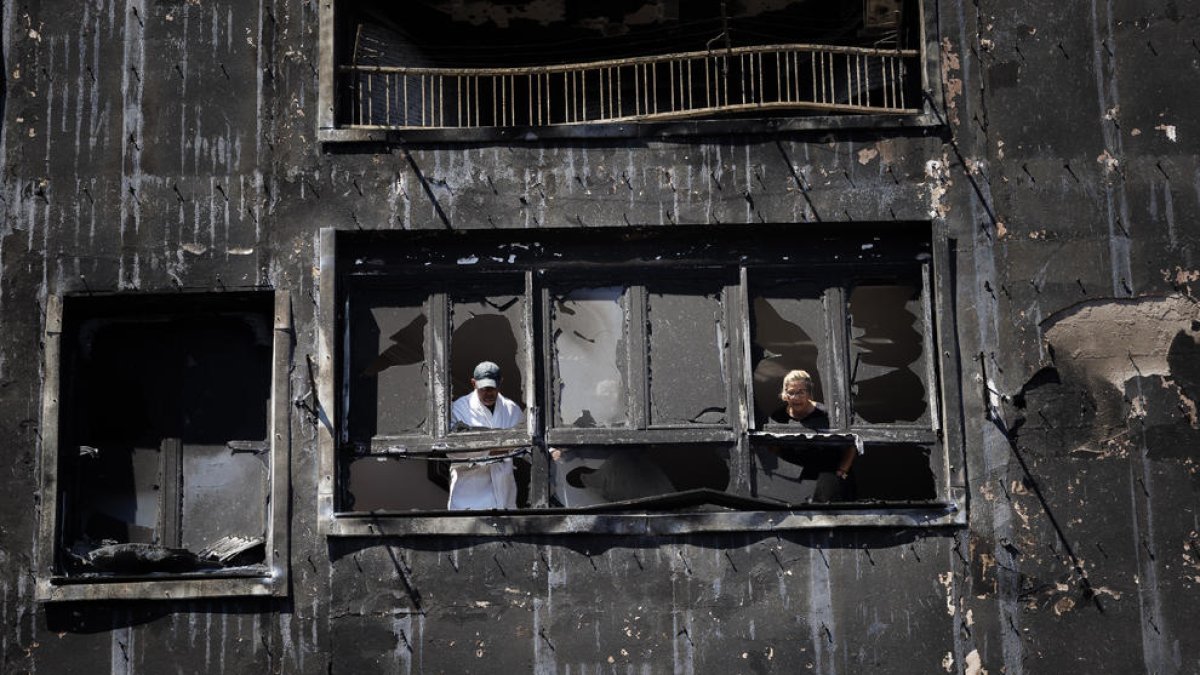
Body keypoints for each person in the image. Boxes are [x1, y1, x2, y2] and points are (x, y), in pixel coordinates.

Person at [770, 369, 856, 502]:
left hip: (828, 476)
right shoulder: (778, 417)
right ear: (785, 394)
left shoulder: (827, 414)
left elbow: (851, 443)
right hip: (794, 480)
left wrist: (841, 472)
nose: (795, 397)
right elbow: (772, 448)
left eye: (800, 392)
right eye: (791, 392)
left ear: (809, 393)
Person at [447, 361, 524, 510]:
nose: (488, 393)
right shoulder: (459, 409)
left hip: (504, 494)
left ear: (500, 383)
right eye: (483, 389)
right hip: (469, 497)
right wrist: (494, 450)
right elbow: (452, 449)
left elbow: (526, 441)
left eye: (492, 388)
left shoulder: (512, 409)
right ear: (473, 383)